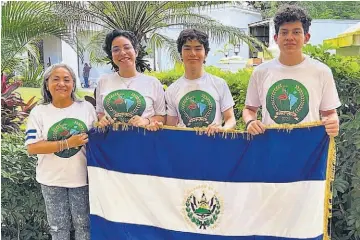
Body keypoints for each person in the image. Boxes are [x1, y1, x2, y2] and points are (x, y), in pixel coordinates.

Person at [243, 5, 340, 137]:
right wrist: (250, 122)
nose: (290, 37)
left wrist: (333, 122)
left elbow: (330, 113)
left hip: (308, 149)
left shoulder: (322, 71)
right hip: (271, 148)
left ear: (306, 37)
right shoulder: (260, 72)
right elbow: (249, 109)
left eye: (296, 32)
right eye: (284, 32)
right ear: (276, 38)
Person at [25, 63, 97, 240]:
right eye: (55, 79)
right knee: (58, 228)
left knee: (84, 226)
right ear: (47, 84)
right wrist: (67, 143)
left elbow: (97, 140)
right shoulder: (39, 112)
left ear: (73, 84)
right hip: (51, 180)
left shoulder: (86, 108)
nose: (61, 84)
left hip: (82, 179)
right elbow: (32, 147)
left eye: (67, 79)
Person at [165, 29, 236, 135]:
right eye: (187, 49)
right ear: (181, 54)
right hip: (184, 148)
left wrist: (223, 129)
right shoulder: (172, 90)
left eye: (198, 49)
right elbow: (170, 128)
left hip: (214, 146)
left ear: (206, 53)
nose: (193, 53)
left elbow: (231, 119)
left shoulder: (219, 84)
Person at [96, 29, 165, 131]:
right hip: (112, 143)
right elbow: (100, 113)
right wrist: (102, 120)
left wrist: (146, 121)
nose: (122, 53)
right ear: (111, 55)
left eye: (127, 47)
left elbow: (162, 117)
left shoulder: (152, 83)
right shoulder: (103, 81)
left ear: (136, 52)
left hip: (144, 142)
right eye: (116, 50)